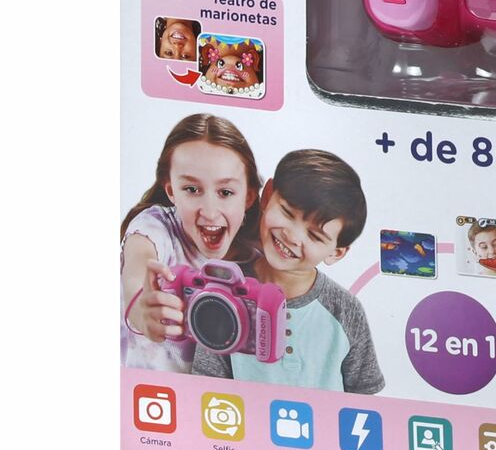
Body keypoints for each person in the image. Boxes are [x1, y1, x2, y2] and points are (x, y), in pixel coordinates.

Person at [192, 149, 384, 393]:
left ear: (336, 253)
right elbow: (206, 383)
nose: (292, 236)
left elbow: (364, 396)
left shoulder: (346, 309)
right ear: (267, 195)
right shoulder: (224, 290)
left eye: (314, 236)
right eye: (287, 212)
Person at [120, 114, 261, 371]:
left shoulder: (257, 260)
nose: (210, 211)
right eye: (192, 190)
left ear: (248, 197)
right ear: (171, 191)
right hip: (145, 388)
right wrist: (140, 309)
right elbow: (138, 267)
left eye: (225, 192)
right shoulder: (155, 228)